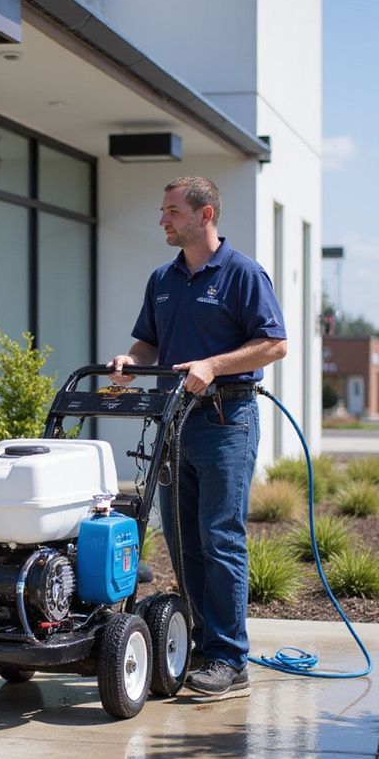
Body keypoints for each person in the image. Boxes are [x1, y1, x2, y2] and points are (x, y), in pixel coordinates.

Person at [108, 176, 287, 700]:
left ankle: (231, 660)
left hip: (226, 422)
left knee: (220, 537)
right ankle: (200, 649)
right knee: (184, 541)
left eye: (171, 211)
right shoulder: (162, 279)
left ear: (205, 215)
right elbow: (148, 343)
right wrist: (129, 361)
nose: (162, 220)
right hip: (174, 421)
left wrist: (213, 363)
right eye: (162, 211)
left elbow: (274, 344)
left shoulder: (241, 274)